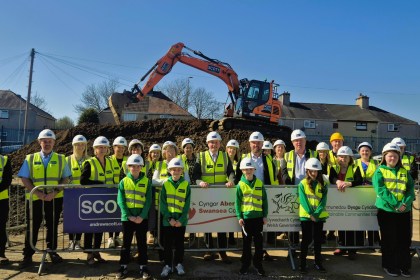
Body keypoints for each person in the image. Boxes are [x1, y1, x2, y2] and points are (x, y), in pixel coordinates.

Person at [18, 129, 71, 268]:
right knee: (32, 227)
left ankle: (52, 251)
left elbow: (66, 178)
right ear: (39, 142)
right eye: (44, 141)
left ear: (54, 142)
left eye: (50, 141)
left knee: (52, 225)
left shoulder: (61, 158)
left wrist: (54, 192)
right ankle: (28, 255)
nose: (47, 144)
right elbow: (24, 178)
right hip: (35, 198)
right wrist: (38, 194)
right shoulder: (30, 158)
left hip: (54, 199)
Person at [373, 143, 414, 278]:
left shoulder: (404, 172)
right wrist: (396, 204)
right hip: (387, 211)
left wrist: (404, 203)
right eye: (390, 156)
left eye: (395, 156)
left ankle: (404, 266)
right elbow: (381, 190)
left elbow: (410, 190)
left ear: (399, 157)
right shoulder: (379, 171)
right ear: (385, 157)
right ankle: (389, 265)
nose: (393, 158)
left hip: (403, 211)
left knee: (404, 240)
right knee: (389, 240)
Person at [235, 131, 278, 261]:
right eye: (254, 142)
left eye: (258, 142)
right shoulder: (244, 158)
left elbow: (272, 177)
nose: (256, 145)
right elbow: (238, 177)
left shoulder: (268, 159)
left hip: (261, 197)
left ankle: (262, 252)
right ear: (250, 144)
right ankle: (246, 257)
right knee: (247, 235)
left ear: (262, 144)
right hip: (247, 201)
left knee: (260, 233)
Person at [194, 131, 235, 263]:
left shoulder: (224, 156)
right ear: (207, 143)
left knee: (221, 224)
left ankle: (222, 252)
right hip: (206, 195)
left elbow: (230, 172)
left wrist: (231, 180)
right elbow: (196, 175)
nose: (214, 144)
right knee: (207, 224)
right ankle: (209, 250)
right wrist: (200, 183)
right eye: (211, 142)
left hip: (221, 194)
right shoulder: (201, 156)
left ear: (219, 143)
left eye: (216, 142)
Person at [81, 136, 116, 265]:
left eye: (104, 147)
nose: (102, 149)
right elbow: (83, 180)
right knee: (90, 228)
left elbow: (112, 180)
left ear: (107, 149)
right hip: (92, 201)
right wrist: (99, 183)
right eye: (99, 147)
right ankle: (89, 254)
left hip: (105, 201)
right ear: (95, 149)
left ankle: (96, 251)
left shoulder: (110, 162)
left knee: (100, 227)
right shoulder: (89, 162)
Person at [116, 154, 152, 279]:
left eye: (138, 166)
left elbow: (148, 201)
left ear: (141, 167)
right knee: (126, 243)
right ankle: (123, 266)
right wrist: (128, 215)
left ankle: (143, 267)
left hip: (142, 218)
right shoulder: (123, 182)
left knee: (142, 243)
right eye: (132, 166)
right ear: (128, 167)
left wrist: (142, 216)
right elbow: (121, 200)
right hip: (128, 219)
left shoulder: (147, 181)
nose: (135, 168)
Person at [153, 141, 190, 261]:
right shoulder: (159, 165)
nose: (169, 153)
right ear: (163, 152)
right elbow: (153, 181)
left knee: (176, 236)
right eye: (167, 150)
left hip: (178, 206)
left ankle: (175, 258)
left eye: (172, 150)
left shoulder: (182, 164)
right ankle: (163, 257)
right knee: (162, 234)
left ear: (176, 151)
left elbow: (187, 181)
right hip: (162, 206)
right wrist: (167, 181)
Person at [281, 129, 317, 250]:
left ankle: (308, 245)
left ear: (305, 141)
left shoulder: (313, 155)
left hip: (309, 193)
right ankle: (293, 246)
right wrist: (290, 185)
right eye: (296, 141)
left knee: (308, 220)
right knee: (293, 220)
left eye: (301, 140)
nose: (298, 143)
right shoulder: (287, 155)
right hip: (293, 192)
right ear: (292, 142)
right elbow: (284, 172)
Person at [329, 146, 363, 260]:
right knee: (341, 224)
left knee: (352, 225)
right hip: (339, 200)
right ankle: (342, 246)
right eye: (341, 157)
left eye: (345, 157)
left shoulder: (355, 168)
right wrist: (338, 181)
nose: (343, 159)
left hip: (352, 201)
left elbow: (359, 180)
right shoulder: (334, 168)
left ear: (350, 158)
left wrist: (349, 183)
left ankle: (352, 249)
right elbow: (331, 178)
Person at [235, 157, 268, 276]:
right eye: (245, 169)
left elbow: (264, 200)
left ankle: (258, 265)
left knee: (259, 244)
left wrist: (265, 215)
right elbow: (237, 203)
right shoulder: (240, 185)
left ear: (254, 169)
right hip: (246, 220)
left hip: (258, 219)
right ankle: (245, 265)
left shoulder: (259, 183)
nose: (248, 171)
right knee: (246, 245)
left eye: (250, 169)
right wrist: (239, 217)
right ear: (242, 171)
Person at [160, 158, 191, 278]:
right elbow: (163, 204)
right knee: (167, 245)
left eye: (178, 170)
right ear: (170, 170)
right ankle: (167, 265)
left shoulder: (185, 184)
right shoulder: (166, 184)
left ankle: (178, 264)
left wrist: (181, 220)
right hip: (168, 222)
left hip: (180, 222)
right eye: (174, 169)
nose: (176, 172)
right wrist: (169, 219)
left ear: (182, 171)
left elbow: (187, 204)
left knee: (179, 245)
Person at [298, 158, 329, 274]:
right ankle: (302, 264)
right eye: (311, 171)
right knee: (305, 240)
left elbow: (323, 201)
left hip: (318, 216)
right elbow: (303, 200)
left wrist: (316, 214)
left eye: (316, 171)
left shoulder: (323, 184)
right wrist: (311, 214)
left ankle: (318, 262)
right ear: (307, 171)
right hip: (306, 216)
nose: (314, 173)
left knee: (318, 240)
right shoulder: (302, 184)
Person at [65, 134, 90, 251]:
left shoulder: (90, 160)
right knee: (72, 218)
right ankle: (71, 241)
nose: (80, 147)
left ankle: (78, 242)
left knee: (82, 219)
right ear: (74, 146)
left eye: (82, 145)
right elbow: (65, 177)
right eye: (78, 145)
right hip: (71, 194)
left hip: (85, 195)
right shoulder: (67, 160)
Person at [108, 136, 128, 248]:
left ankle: (117, 236)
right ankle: (110, 237)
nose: (120, 150)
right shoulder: (109, 160)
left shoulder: (127, 160)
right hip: (111, 191)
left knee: (120, 215)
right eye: (118, 147)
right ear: (113, 147)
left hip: (124, 192)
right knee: (111, 214)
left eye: (122, 147)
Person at [226, 139, 241, 245]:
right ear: (227, 149)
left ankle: (231, 236)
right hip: (223, 191)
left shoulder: (238, 163)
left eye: (234, 149)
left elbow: (239, 176)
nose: (232, 150)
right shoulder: (222, 161)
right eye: (230, 148)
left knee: (232, 214)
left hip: (234, 191)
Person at [0, 151, 12, 264]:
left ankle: (1, 254)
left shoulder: (4, 160)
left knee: (0, 228)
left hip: (1, 201)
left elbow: (7, 180)